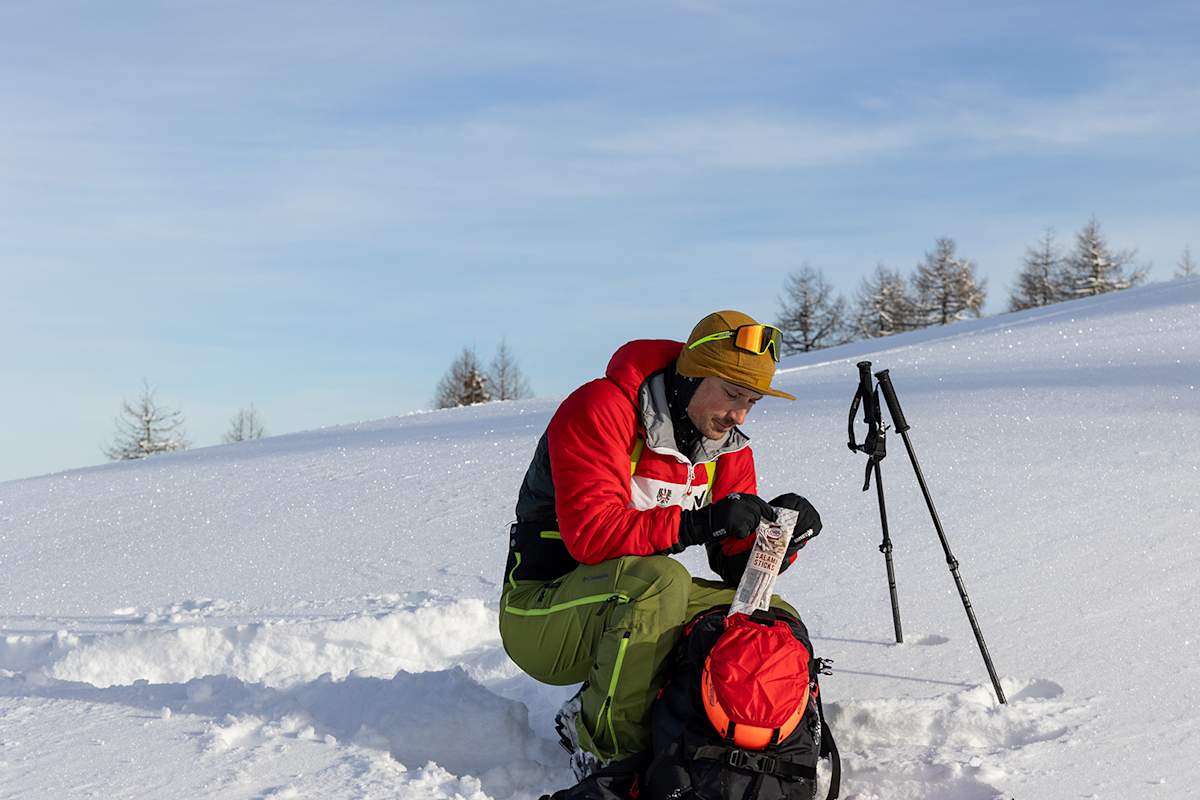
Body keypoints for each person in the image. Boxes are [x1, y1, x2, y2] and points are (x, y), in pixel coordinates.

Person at [499, 310, 823, 778]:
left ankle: (742, 742)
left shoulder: (728, 445)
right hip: (541, 614)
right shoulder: (602, 408)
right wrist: (700, 523)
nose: (739, 414)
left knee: (770, 617)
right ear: (692, 374)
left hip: (628, 598)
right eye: (732, 393)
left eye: (751, 401)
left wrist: (780, 538)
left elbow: (735, 570)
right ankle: (605, 751)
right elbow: (592, 536)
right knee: (660, 582)